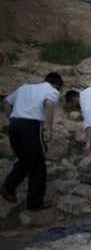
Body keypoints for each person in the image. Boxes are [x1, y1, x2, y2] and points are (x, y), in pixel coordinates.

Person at [1, 73, 63, 210]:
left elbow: (6, 101)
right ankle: (35, 203)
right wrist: (49, 128)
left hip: (14, 125)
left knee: (26, 159)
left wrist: (11, 119)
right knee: (38, 165)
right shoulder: (52, 90)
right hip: (31, 127)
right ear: (58, 85)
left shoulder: (24, 87)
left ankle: (8, 187)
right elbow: (49, 104)